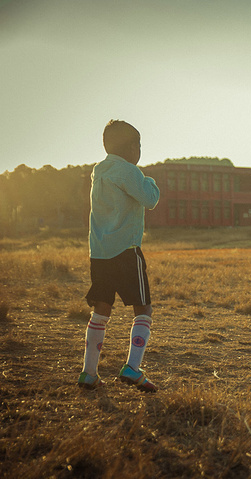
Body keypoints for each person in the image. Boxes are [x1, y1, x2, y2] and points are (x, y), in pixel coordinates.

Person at [78, 120, 160, 392]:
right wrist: (149, 180)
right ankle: (132, 367)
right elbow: (150, 199)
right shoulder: (129, 171)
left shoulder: (99, 170)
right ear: (133, 147)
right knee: (143, 309)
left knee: (101, 310)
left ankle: (89, 372)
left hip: (100, 253)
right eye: (139, 145)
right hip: (126, 250)